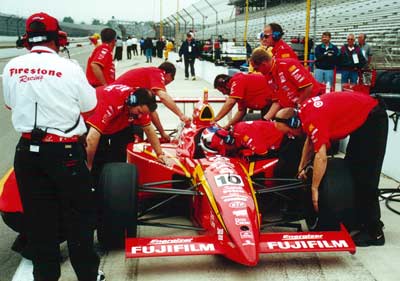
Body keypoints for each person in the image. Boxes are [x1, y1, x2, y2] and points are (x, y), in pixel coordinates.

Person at [2, 12, 103, 281]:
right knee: (80, 220)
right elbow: (90, 106)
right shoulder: (69, 67)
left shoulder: (11, 66)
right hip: (64, 152)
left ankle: (44, 277)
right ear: (59, 39)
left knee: (39, 223)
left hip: (27, 154)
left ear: (26, 41)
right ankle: (88, 276)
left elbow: (10, 104)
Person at [273, 92, 388, 246]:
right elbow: (309, 141)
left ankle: (375, 232)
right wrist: (301, 167)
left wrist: (314, 189)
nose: (290, 136)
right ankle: (359, 219)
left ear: (294, 123)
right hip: (362, 120)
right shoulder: (303, 113)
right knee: (351, 168)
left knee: (366, 176)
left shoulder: (314, 119)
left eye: (289, 133)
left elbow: (321, 156)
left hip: (373, 118)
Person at [85, 87, 167, 181]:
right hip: (94, 120)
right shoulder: (112, 102)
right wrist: (88, 165)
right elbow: (91, 138)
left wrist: (160, 154)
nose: (140, 116)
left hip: (118, 124)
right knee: (97, 162)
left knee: (118, 161)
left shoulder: (138, 103)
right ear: (132, 102)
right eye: (139, 112)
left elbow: (149, 130)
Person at [250, 47, 323, 120]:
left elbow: (308, 87)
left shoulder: (288, 65)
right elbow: (277, 102)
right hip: (294, 108)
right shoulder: (268, 76)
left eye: (256, 68)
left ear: (264, 64)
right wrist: (264, 120)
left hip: (313, 105)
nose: (257, 71)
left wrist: (296, 108)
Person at [115, 62, 190, 130]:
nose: (164, 85)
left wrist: (162, 133)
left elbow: (151, 111)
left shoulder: (148, 80)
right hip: (116, 103)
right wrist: (181, 115)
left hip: (120, 105)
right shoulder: (157, 73)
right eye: (168, 82)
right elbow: (163, 96)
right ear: (168, 75)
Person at [200, 121, 283, 157]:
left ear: (228, 141)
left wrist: (248, 152)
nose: (227, 153)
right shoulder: (237, 131)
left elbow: (263, 152)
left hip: (286, 140)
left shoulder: (244, 135)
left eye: (226, 150)